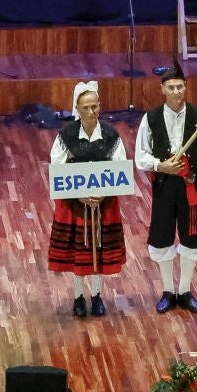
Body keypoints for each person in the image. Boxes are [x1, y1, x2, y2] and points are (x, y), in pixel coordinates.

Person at [135, 64, 197, 314]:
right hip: (164, 187)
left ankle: (184, 290)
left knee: (191, 238)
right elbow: (140, 157)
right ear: (162, 89)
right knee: (162, 236)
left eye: (180, 86)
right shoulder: (150, 118)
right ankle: (167, 290)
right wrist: (161, 166)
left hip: (191, 187)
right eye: (170, 87)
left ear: (185, 87)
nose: (176, 91)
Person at [48, 80, 127, 318]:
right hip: (74, 205)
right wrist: (79, 194)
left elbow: (120, 167)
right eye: (86, 108)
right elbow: (57, 166)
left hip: (104, 203)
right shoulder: (66, 135)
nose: (91, 112)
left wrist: (103, 193)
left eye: (95, 106)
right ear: (77, 109)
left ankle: (97, 295)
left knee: (98, 249)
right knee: (78, 251)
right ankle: (78, 297)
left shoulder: (111, 135)